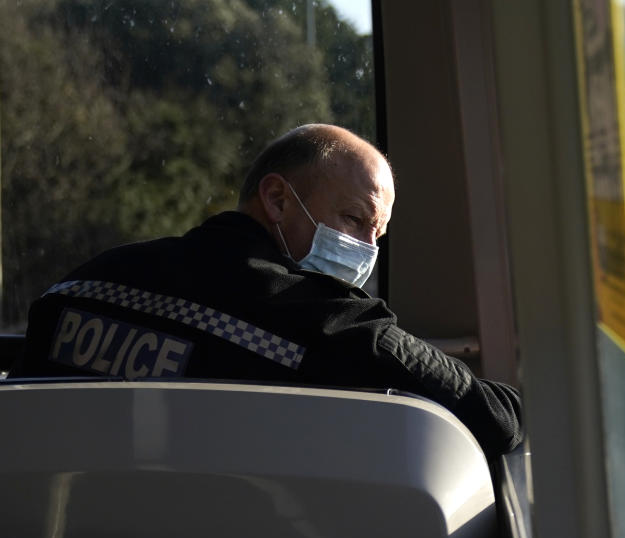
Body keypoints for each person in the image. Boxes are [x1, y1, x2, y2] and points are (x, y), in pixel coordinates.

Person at [10, 124, 522, 456]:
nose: (366, 248)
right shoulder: (330, 324)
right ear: (277, 199)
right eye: (354, 219)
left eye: (377, 234)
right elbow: (494, 417)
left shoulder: (80, 286)